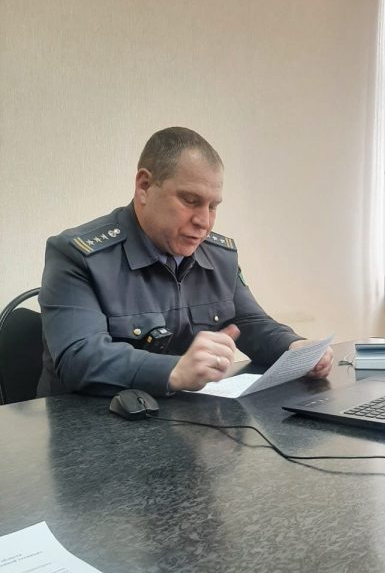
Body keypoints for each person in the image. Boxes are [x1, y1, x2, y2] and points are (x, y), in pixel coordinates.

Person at [37, 127, 333, 397]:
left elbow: (249, 323)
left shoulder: (218, 256)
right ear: (144, 186)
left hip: (184, 420)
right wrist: (174, 371)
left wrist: (295, 347)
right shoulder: (79, 255)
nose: (204, 222)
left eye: (212, 206)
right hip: (90, 425)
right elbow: (79, 357)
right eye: (191, 201)